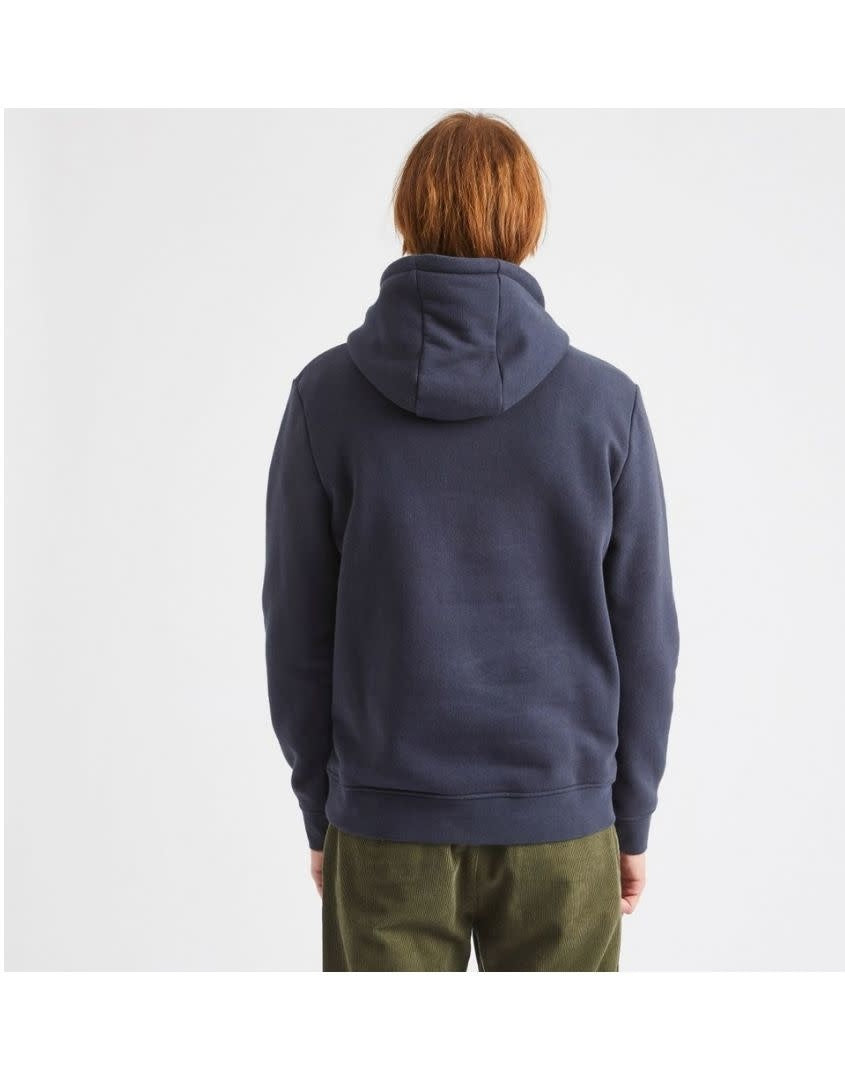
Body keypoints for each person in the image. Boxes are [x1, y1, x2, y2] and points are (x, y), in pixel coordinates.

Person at [263, 112, 679, 971]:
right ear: (528, 222)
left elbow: (295, 633)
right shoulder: (606, 406)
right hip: (563, 830)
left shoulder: (325, 399)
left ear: (408, 214)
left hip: (383, 825)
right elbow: (647, 636)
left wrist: (324, 811)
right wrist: (628, 816)